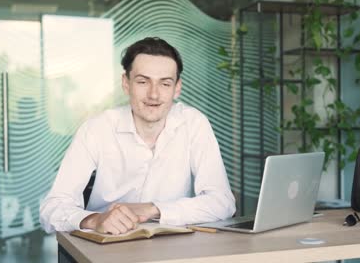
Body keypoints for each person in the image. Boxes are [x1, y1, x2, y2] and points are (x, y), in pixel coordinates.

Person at [40, 37, 236, 235]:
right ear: (126, 84)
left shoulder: (193, 123)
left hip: (171, 248)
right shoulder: (97, 129)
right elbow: (51, 209)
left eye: (165, 84)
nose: (154, 95)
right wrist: (94, 220)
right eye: (143, 81)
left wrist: (153, 209)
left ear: (177, 88)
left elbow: (223, 202)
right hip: (106, 245)